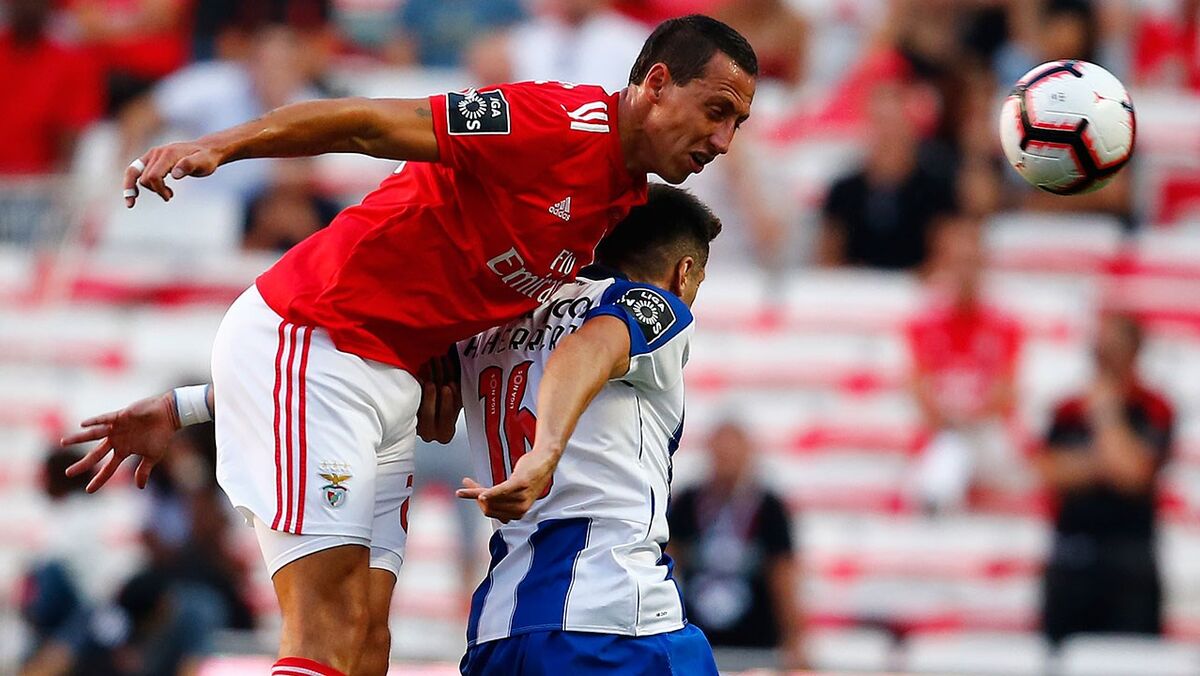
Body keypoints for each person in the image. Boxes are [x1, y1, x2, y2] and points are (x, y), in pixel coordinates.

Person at [70, 16, 757, 676]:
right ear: (657, 83)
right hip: (318, 330)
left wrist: (190, 406)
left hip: (384, 379)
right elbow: (368, 123)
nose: (724, 140)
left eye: (738, 124)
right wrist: (222, 145)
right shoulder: (552, 123)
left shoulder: (616, 209)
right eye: (716, 111)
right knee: (325, 625)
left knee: (367, 642)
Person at [1035, 315, 1174, 644]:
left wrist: (1106, 415)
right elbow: (1050, 472)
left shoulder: (1154, 407)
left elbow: (1134, 475)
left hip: (1129, 558)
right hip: (1071, 556)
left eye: (1113, 347)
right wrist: (1109, 460)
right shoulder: (1067, 408)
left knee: (1130, 657)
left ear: (1134, 350)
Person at [667, 420, 806, 671]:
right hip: (700, 643)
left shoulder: (769, 508)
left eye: (733, 454)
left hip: (758, 646)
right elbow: (668, 565)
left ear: (748, 455)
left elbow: (783, 575)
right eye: (721, 454)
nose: (727, 461)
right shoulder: (687, 502)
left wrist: (794, 639)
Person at [905, 219, 1023, 513]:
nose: (964, 271)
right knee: (950, 447)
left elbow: (1006, 392)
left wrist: (965, 419)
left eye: (970, 262)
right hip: (943, 431)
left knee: (954, 450)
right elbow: (918, 387)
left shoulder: (1005, 325)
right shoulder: (923, 323)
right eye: (957, 262)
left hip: (987, 434)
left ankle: (935, 501)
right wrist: (950, 421)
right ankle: (939, 500)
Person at [816, 81, 957, 270]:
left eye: (894, 125)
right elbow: (830, 256)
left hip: (916, 282)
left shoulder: (935, 190)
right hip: (856, 283)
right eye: (880, 124)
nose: (887, 135)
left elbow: (944, 252)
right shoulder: (843, 191)